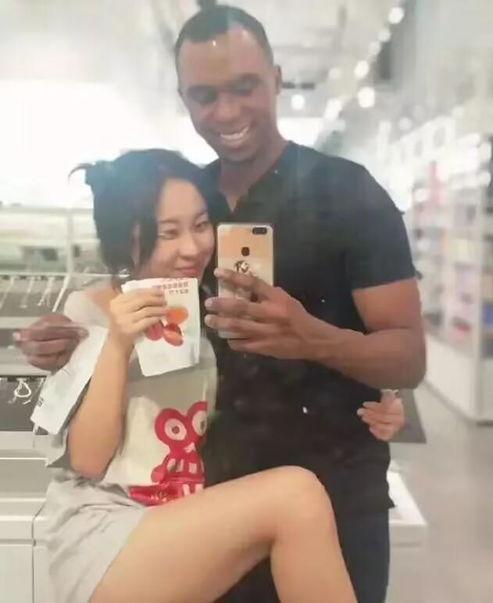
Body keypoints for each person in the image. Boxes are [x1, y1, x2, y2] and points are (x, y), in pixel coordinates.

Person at [17, 6, 424, 603]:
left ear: (277, 79)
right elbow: (130, 288)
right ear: (184, 98)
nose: (227, 112)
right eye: (205, 95)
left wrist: (316, 340)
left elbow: (407, 357)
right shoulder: (192, 196)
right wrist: (78, 338)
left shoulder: (348, 193)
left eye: (245, 87)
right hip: (202, 501)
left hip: (333, 489)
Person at [43, 148, 357, 603]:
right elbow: (88, 462)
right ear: (125, 238)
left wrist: (381, 399)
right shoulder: (87, 310)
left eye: (201, 225)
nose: (192, 247)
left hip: (183, 515)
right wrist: (117, 345)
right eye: (168, 233)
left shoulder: (209, 303)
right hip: (106, 529)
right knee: (296, 496)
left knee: (299, 499)